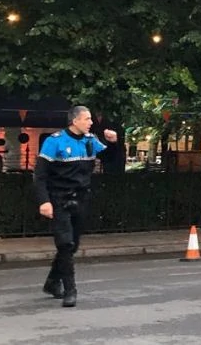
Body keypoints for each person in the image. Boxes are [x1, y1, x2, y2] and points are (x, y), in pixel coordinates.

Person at [33, 105, 117, 307]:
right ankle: (70, 290)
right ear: (74, 121)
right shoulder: (54, 142)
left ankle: (52, 281)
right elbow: (40, 175)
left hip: (81, 198)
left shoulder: (91, 141)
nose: (91, 122)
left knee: (72, 245)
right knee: (65, 243)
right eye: (87, 119)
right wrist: (44, 201)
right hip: (59, 198)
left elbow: (110, 159)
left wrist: (113, 143)